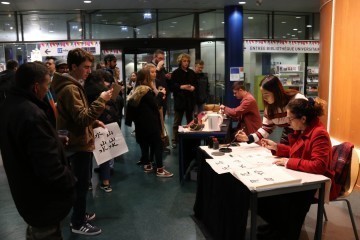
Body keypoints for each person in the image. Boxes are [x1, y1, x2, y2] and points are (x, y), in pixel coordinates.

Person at [0, 62, 76, 240]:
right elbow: (48, 167)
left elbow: (27, 144)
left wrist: (53, 139)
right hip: (43, 200)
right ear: (35, 86)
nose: (47, 90)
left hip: (25, 191)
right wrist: (70, 179)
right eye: (47, 85)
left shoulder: (10, 105)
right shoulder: (31, 114)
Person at [51, 48, 113, 235]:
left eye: (90, 67)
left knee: (81, 182)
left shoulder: (73, 85)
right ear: (73, 66)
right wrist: (101, 101)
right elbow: (81, 118)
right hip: (78, 144)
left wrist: (94, 121)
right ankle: (77, 223)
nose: (88, 71)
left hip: (79, 140)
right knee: (80, 183)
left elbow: (78, 116)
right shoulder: (70, 88)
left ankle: (80, 214)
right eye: (85, 67)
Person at [257, 98, 336, 240]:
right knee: (268, 197)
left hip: (314, 184)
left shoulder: (319, 134)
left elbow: (319, 165)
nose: (288, 122)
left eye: (291, 118)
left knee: (272, 199)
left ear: (303, 118)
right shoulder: (306, 128)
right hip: (304, 178)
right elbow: (297, 151)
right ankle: (278, 228)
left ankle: (284, 232)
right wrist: (276, 147)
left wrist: (288, 162)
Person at [125, 68, 173, 177]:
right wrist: (161, 94)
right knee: (157, 144)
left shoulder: (136, 89)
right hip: (151, 122)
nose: (153, 75)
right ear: (146, 77)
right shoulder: (146, 91)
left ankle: (147, 165)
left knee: (144, 143)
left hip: (140, 123)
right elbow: (156, 104)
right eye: (151, 74)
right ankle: (160, 170)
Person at [236, 75, 307, 144]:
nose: (264, 98)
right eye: (262, 94)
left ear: (276, 92)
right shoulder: (270, 107)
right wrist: (248, 138)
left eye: (266, 94)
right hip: (290, 134)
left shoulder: (297, 100)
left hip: (305, 134)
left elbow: (309, 122)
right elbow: (266, 129)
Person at [85, 70, 120, 193]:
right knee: (104, 153)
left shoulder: (85, 91)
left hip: (89, 124)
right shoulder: (104, 92)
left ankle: (88, 182)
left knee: (88, 155)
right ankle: (106, 182)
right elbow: (114, 106)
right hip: (104, 124)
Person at [170, 53, 196, 148]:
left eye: (187, 61)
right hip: (180, 100)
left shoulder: (192, 72)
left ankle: (190, 138)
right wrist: (182, 87)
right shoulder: (176, 73)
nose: (186, 63)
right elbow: (172, 86)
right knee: (177, 121)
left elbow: (195, 84)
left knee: (190, 121)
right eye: (184, 61)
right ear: (180, 62)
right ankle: (174, 140)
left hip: (189, 100)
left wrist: (192, 88)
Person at [150, 49, 172, 118]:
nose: (161, 60)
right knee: (156, 118)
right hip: (155, 96)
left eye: (163, 58)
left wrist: (168, 77)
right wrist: (158, 68)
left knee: (162, 118)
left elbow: (163, 79)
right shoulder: (149, 66)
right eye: (160, 58)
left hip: (163, 95)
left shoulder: (162, 68)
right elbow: (152, 79)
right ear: (154, 57)